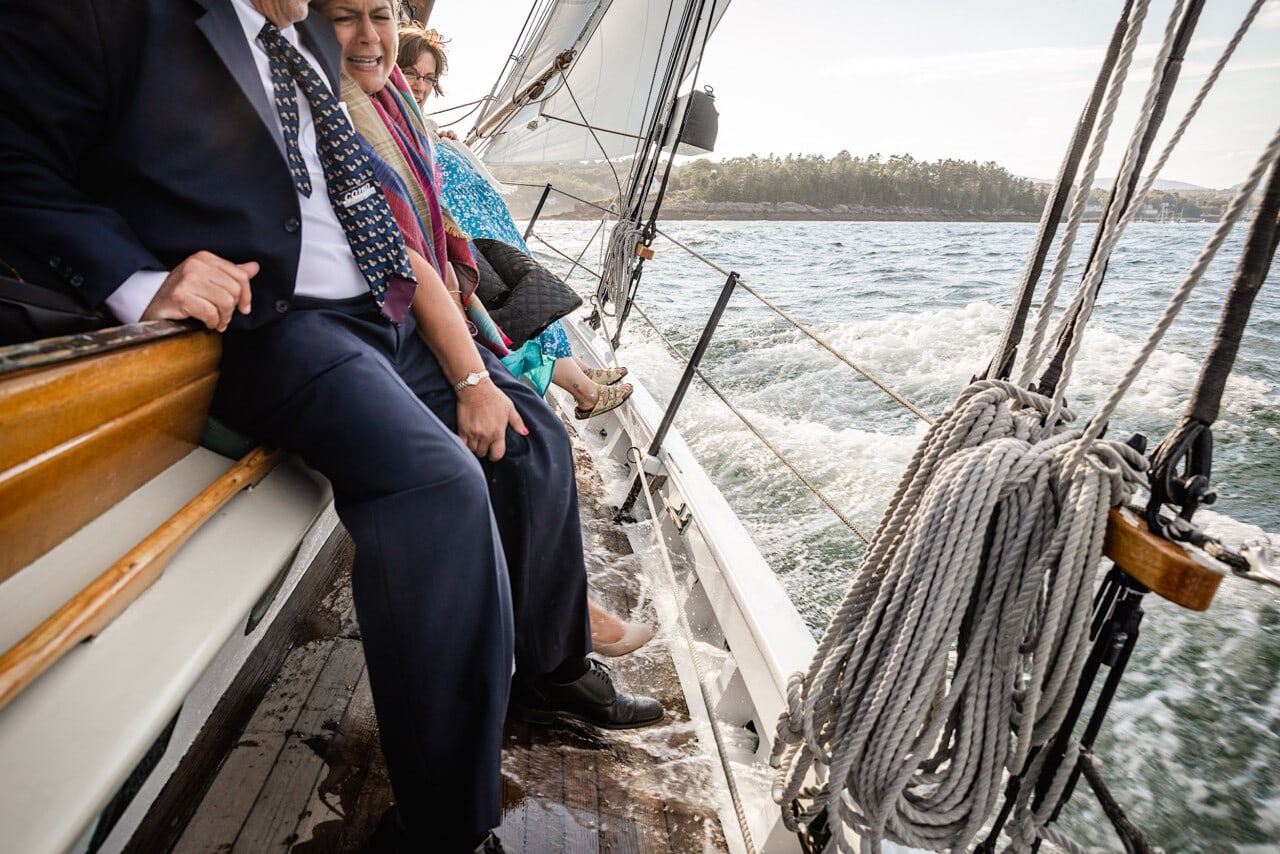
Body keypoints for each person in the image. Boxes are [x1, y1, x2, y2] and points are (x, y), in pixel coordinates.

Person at [0, 2, 662, 852]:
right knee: (438, 484)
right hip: (282, 320)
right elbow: (14, 158)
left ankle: (551, 664)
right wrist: (138, 278)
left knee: (532, 435)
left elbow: (371, 215)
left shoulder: (304, 37)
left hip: (382, 304)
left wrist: (469, 372)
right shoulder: (120, 19)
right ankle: (445, 830)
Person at [317, 0, 654, 657]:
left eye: (379, 18)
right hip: (390, 316)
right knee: (519, 444)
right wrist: (470, 372)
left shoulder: (398, 117)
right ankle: (557, 648)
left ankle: (557, 635)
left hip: (438, 296)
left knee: (538, 433)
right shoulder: (333, 112)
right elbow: (396, 249)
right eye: (344, 18)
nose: (411, 81)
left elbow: (426, 232)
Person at [397, 22, 634, 415]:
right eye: (410, 74)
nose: (420, 87)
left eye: (427, 78)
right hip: (456, 251)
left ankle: (579, 371)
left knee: (529, 284)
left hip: (483, 242)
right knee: (516, 298)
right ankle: (583, 392)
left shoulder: (424, 129)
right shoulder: (394, 127)